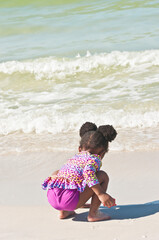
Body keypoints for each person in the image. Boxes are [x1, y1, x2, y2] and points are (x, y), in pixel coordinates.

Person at [42, 122, 117, 222]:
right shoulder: (94, 159)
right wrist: (100, 194)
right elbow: (88, 173)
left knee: (59, 173)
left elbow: (77, 180)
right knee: (102, 176)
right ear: (102, 153)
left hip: (52, 198)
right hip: (69, 200)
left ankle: (64, 212)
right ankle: (93, 214)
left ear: (79, 149)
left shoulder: (74, 159)